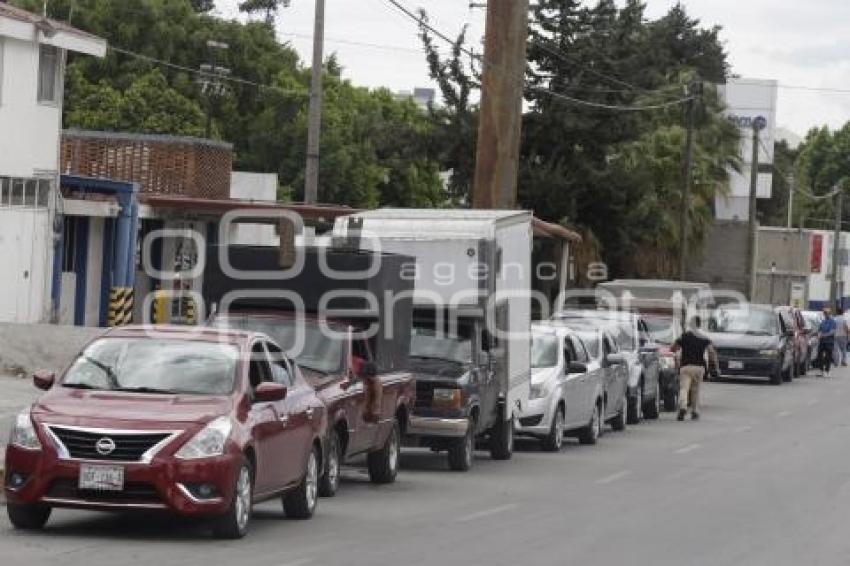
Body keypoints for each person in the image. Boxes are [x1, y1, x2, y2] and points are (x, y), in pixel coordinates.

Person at [671, 316, 719, 421]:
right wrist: (713, 365)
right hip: (699, 367)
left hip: (686, 366)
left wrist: (677, 348)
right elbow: (711, 351)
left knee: (684, 388)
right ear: (699, 324)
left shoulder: (684, 336)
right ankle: (694, 411)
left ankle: (683, 407)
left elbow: (673, 347)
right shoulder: (704, 337)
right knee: (695, 390)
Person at [818, 307, 837, 376]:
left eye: (826, 313)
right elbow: (819, 329)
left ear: (829, 313)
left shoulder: (832, 321)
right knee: (820, 356)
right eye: (824, 313)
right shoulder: (823, 321)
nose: (825, 314)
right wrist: (819, 334)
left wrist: (824, 335)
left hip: (829, 342)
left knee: (828, 357)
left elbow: (832, 331)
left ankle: (827, 370)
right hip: (822, 341)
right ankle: (821, 370)